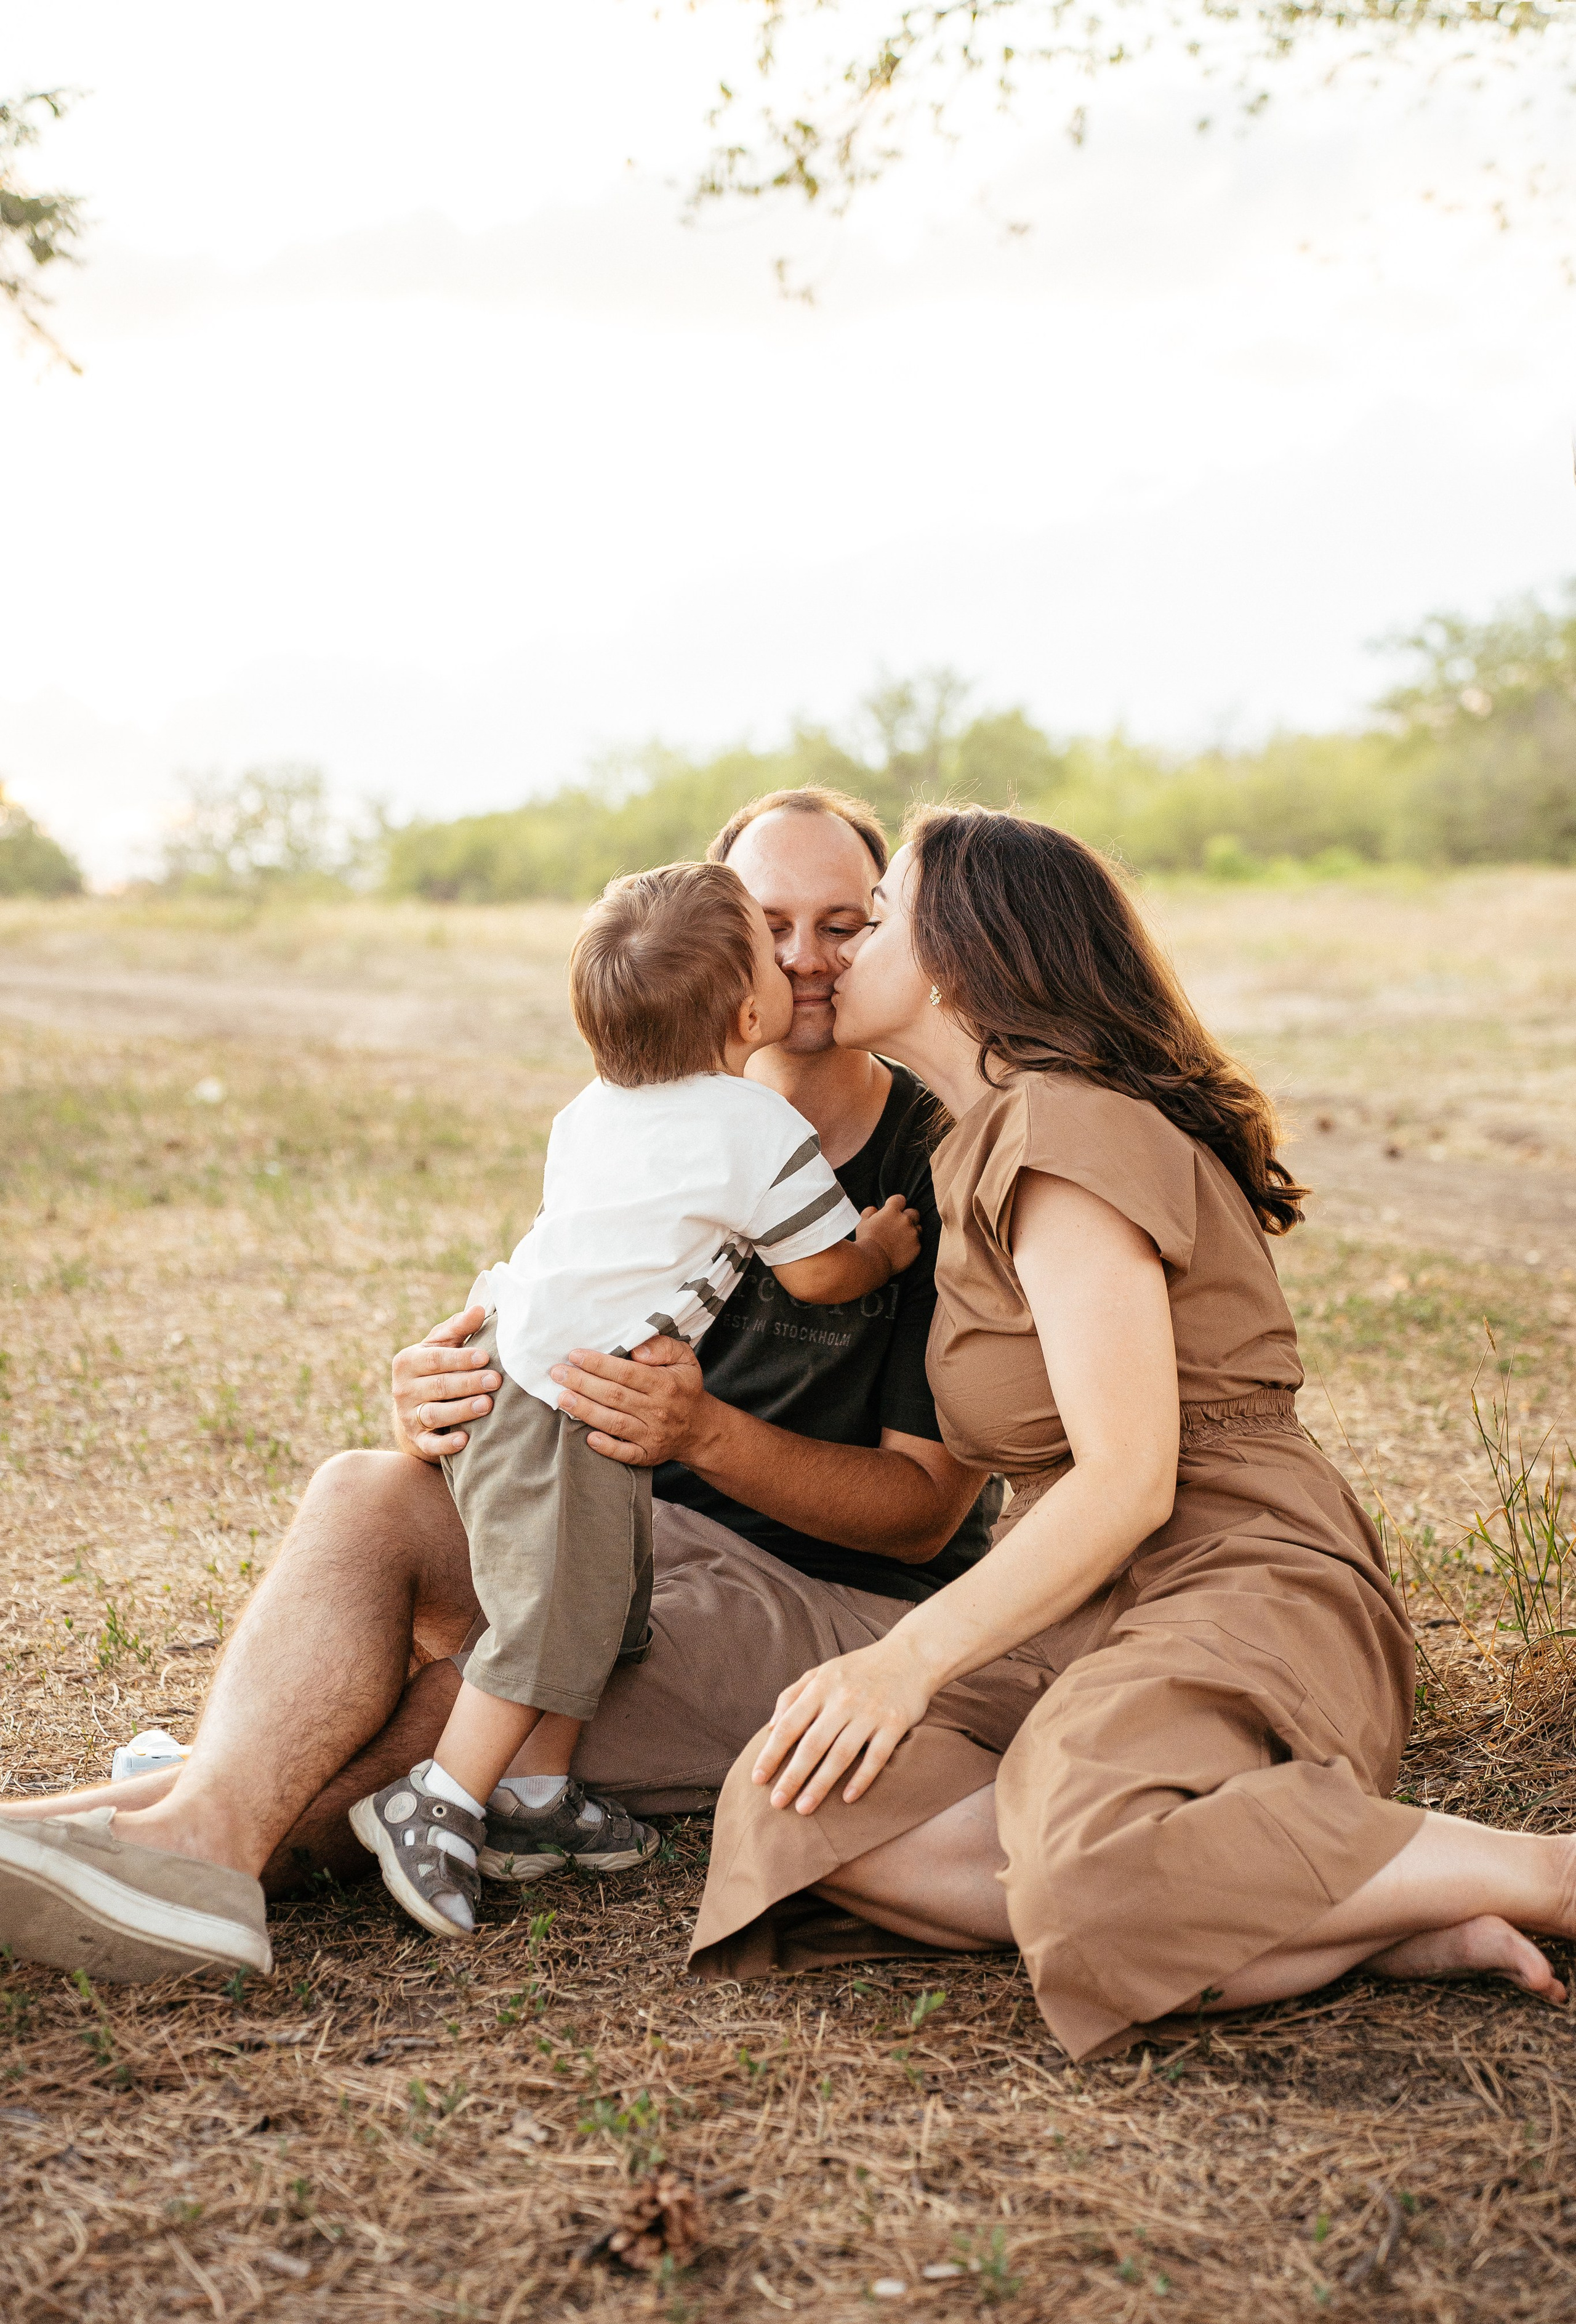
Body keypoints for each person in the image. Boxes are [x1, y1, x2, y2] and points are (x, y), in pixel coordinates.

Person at [0, 787, 995, 1983]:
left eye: (844, 923)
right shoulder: (646, 1117)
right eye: (767, 919)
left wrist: (707, 1433)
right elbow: (553, 1313)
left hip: (821, 1597)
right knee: (368, 1494)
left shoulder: (937, 1172)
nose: (805, 957)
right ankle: (188, 1829)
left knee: (493, 1687)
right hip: (621, 1516)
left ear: (890, 933)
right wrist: (451, 1387)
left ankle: (177, 1832)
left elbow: (926, 1509)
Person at [686, 806, 1576, 2056]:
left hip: (1230, 1562)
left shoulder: (1062, 1125)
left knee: (1079, 1878)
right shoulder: (972, 1142)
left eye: (874, 918)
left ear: (951, 955)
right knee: (793, 1806)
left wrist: (905, 1658)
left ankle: (1539, 1873)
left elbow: (1126, 1482)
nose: (831, 954)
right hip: (1084, 1592)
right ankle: (1345, 1915)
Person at [352, 860, 919, 1941]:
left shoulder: (591, 1109)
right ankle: (437, 1800)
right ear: (749, 1010)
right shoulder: (754, 1129)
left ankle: (537, 1797)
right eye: (771, 939)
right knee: (553, 1611)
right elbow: (818, 1273)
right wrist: (879, 1248)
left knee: (605, 1605)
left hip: (541, 1382)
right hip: (561, 1403)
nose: (800, 961)